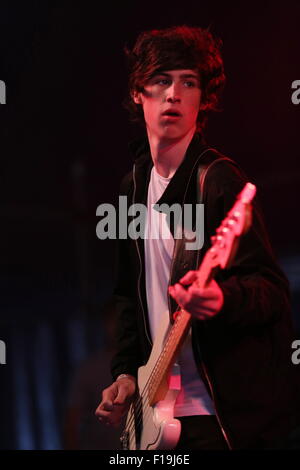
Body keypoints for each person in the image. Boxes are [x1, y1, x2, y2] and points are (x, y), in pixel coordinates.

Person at [95, 25, 300, 450]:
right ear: (138, 92)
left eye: (188, 82)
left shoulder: (218, 181)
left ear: (202, 99)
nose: (174, 94)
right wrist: (125, 375)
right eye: (160, 80)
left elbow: (272, 292)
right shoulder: (131, 189)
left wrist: (221, 301)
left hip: (218, 417)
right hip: (153, 417)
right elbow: (128, 301)